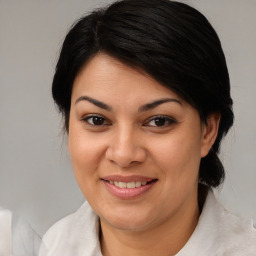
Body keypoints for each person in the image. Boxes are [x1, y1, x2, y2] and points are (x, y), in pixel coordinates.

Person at [39, 0, 256, 255]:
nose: (123, 154)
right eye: (97, 120)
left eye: (159, 121)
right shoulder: (49, 246)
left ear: (208, 130)